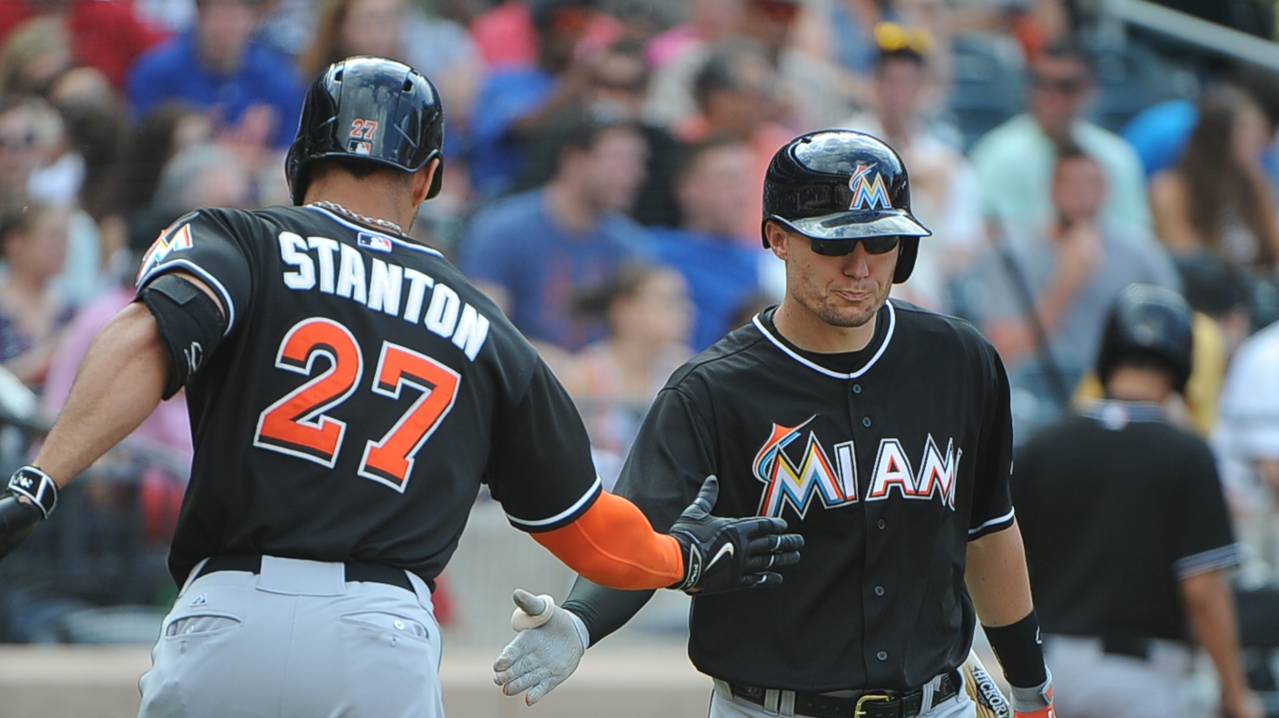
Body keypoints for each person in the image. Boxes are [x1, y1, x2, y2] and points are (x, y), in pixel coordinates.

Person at [0, 57, 802, 716]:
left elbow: (150, 337)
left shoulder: (238, 237)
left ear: (299, 158)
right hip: (378, 634)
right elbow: (586, 529)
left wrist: (41, 482)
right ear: (426, 180)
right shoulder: (484, 323)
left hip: (229, 612)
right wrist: (678, 557)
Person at [492, 129, 1056, 718]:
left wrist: (1028, 687)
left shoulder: (958, 360)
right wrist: (581, 622)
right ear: (777, 239)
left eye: (881, 242)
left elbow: (989, 531)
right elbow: (641, 531)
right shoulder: (711, 389)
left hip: (935, 703)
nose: (861, 267)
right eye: (836, 245)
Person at [1011, 285, 1262, 718]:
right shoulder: (1185, 453)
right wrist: (1236, 693)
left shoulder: (1042, 446)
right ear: (1181, 362)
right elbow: (1203, 590)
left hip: (1047, 673)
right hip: (1141, 681)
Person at [962, 141, 1179, 435]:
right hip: (1033, 397)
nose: (1079, 194)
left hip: (1113, 395)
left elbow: (1173, 334)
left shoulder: (1142, 256)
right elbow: (1003, 351)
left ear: (1106, 191)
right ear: (1050, 189)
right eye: (1069, 183)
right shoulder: (1012, 255)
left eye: (1090, 184)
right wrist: (1066, 282)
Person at [458, 112, 650, 351]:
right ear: (573, 161)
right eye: (619, 159)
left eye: (638, 162)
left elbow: (644, 341)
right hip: (522, 378)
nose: (633, 174)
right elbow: (484, 330)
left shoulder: (630, 244)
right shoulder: (503, 229)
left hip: (603, 383)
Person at [968, 40, 1149, 232]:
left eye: (1065, 86)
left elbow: (1136, 238)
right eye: (1040, 83)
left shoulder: (1117, 156)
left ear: (1089, 89)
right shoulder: (997, 154)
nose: (1051, 96)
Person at [562, 263, 694, 481]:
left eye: (683, 301)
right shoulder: (582, 375)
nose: (685, 311)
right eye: (668, 302)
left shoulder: (684, 368)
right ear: (625, 310)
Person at [126, 0, 304, 149]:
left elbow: (290, 153)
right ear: (199, 16)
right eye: (217, 16)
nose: (224, 29)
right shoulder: (156, 72)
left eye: (234, 17)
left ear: (253, 19)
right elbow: (140, 150)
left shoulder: (278, 78)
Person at [648, 136, 764, 350]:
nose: (741, 193)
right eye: (728, 180)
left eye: (747, 180)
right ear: (688, 189)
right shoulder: (650, 253)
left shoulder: (770, 263)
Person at [1150, 85, 1279, 275]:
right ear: (1217, 136)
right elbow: (1188, 262)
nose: (1258, 140)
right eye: (1245, 130)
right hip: (1202, 293)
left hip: (1251, 291)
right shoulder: (1170, 190)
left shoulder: (1254, 183)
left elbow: (1275, 248)